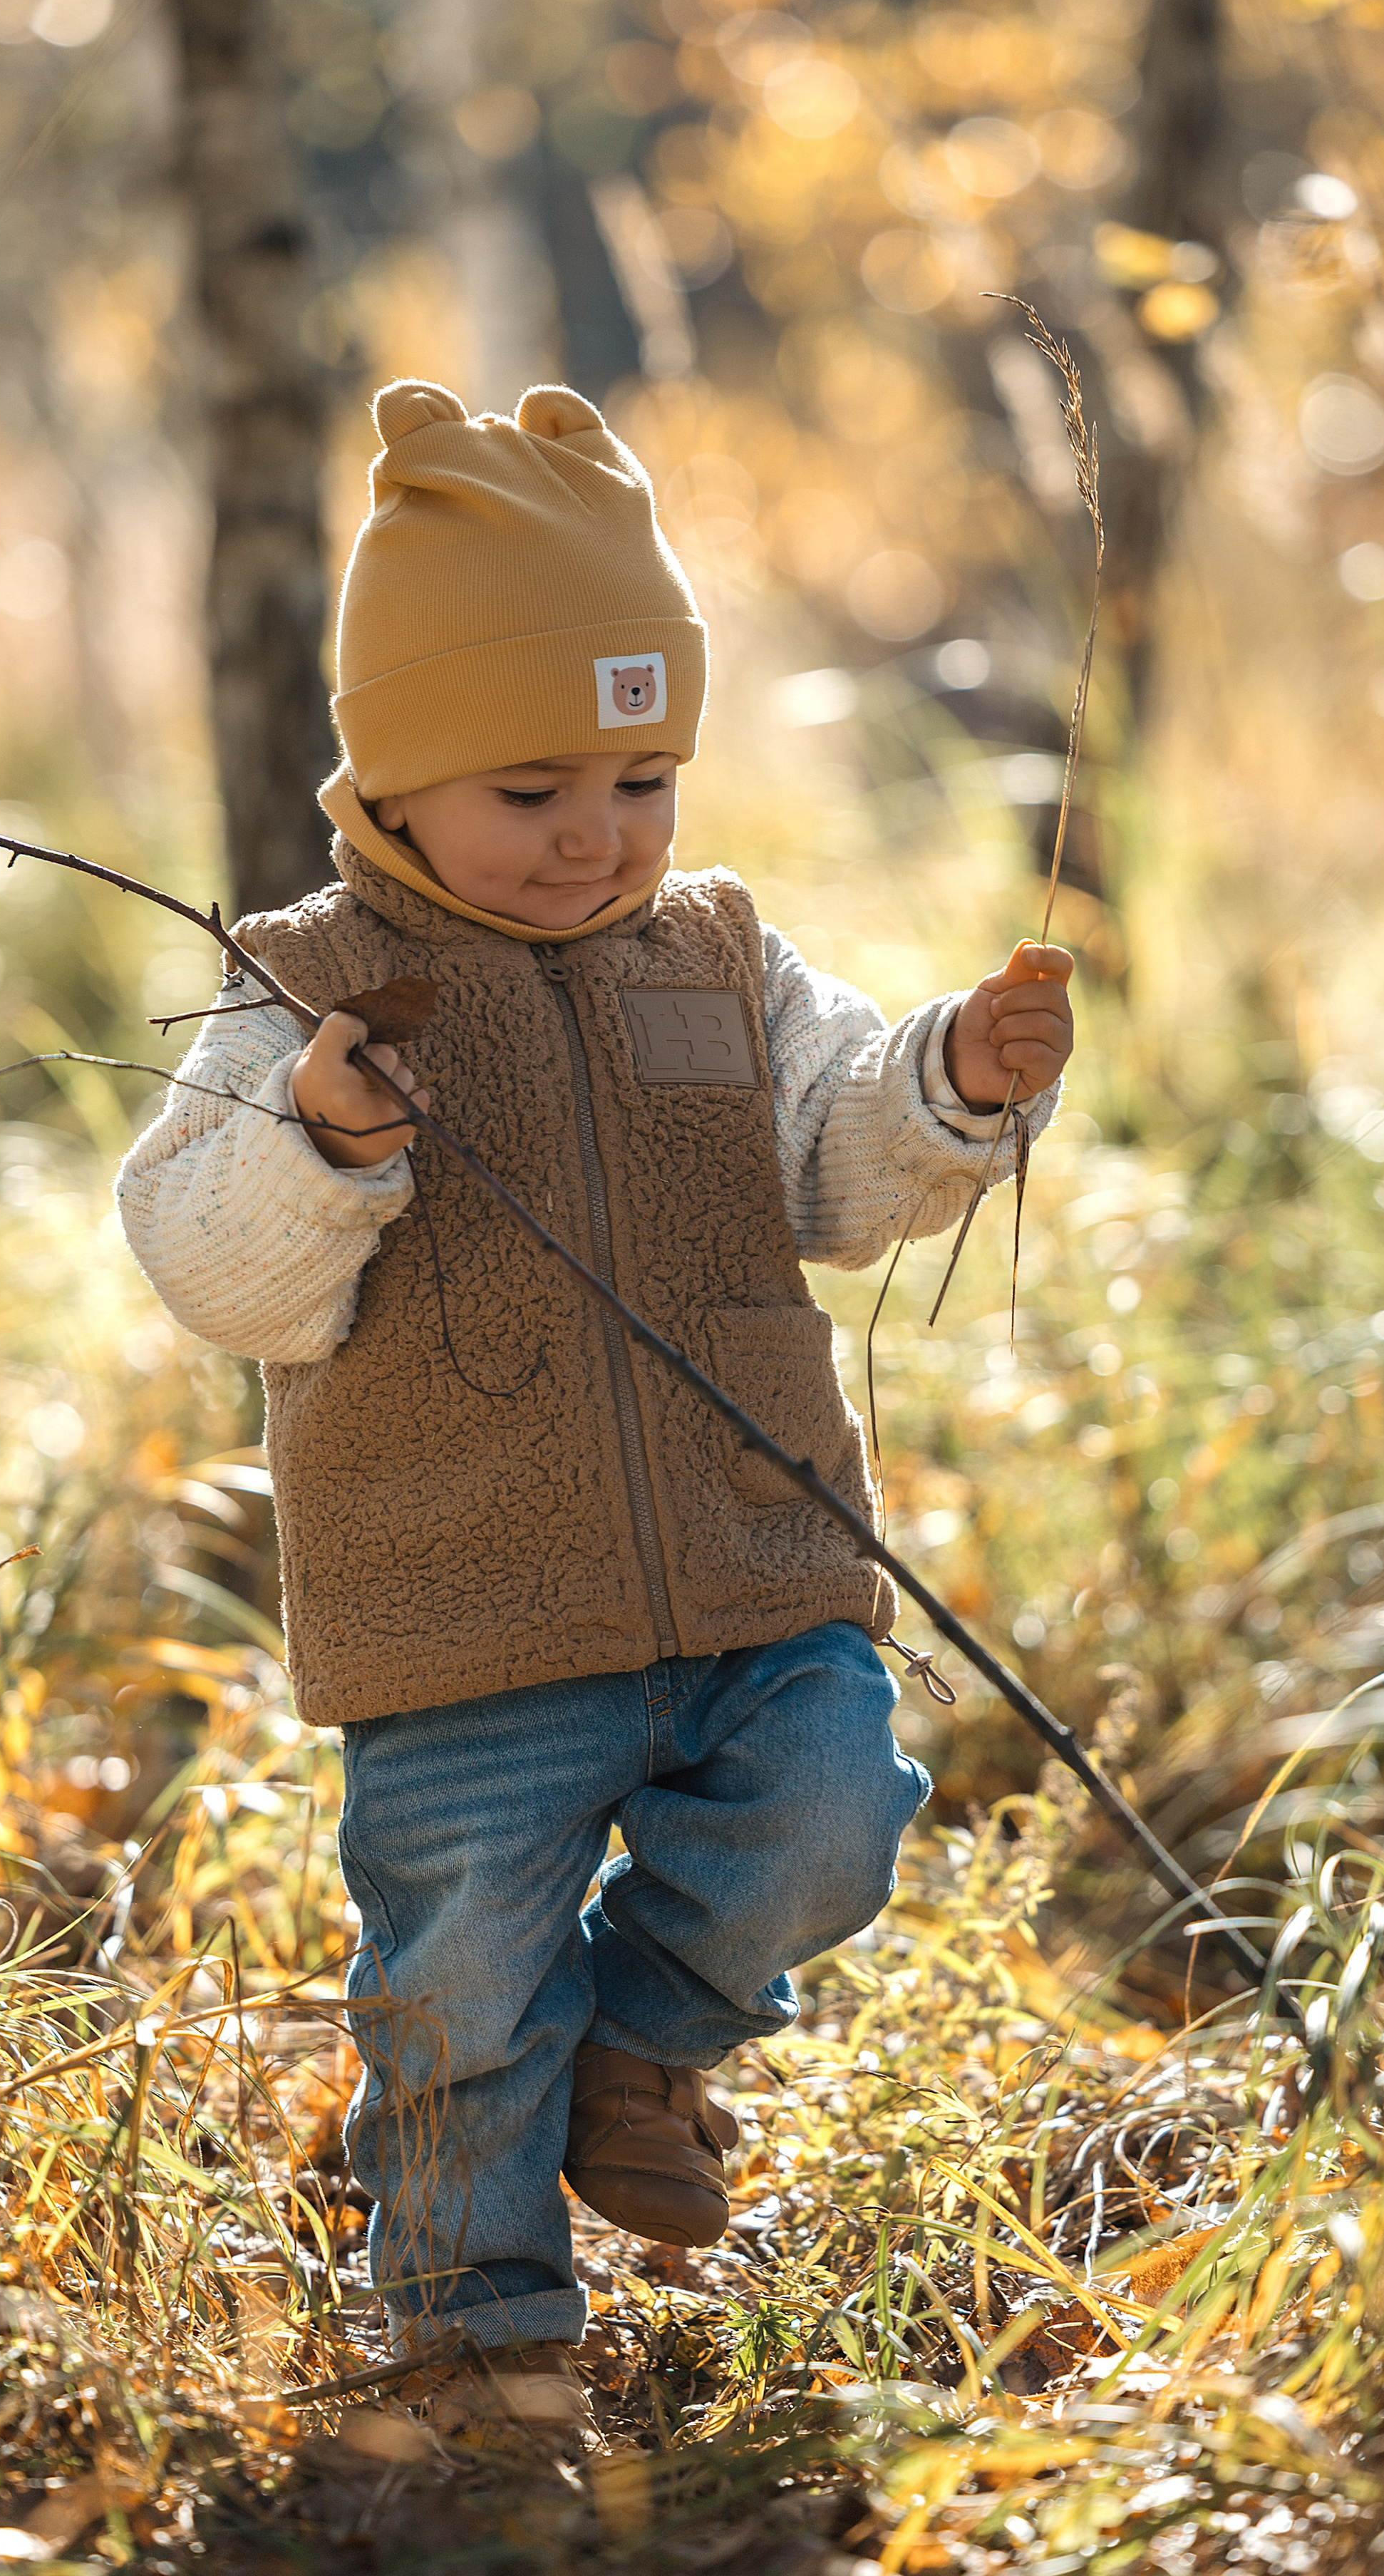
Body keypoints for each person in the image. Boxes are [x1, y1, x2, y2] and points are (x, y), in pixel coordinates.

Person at [116, 380, 1073, 2448]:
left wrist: (956, 1088)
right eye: (533, 783)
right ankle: (474, 2340)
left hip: (754, 1566)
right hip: (462, 1619)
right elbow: (206, 1264)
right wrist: (322, 1140)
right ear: (393, 774)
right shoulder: (310, 984)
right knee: (457, 1990)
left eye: (643, 776)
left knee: (835, 1815)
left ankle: (645, 2045)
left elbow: (836, 1163)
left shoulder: (716, 956)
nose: (598, 834)